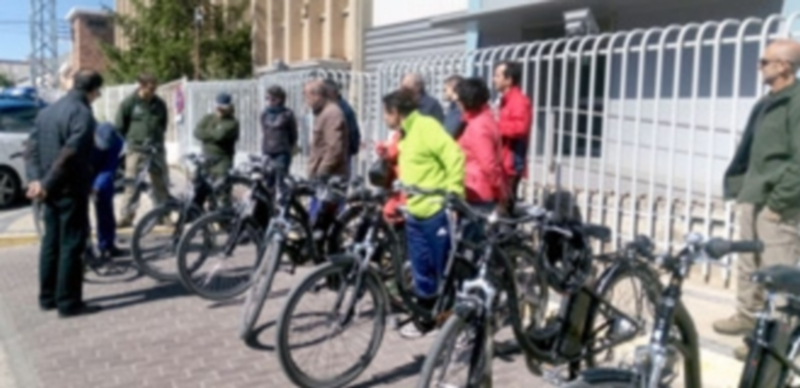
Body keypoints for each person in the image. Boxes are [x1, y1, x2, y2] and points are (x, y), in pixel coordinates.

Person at [714, 39, 800, 360]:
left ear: (784, 66)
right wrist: (742, 188)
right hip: (754, 195)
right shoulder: (767, 102)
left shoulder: (796, 102)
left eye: (764, 61)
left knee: (778, 271)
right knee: (748, 263)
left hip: (777, 203)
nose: (759, 66)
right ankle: (747, 317)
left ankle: (775, 342)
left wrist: (778, 203)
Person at [381, 88, 465, 338]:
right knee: (421, 268)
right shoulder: (404, 134)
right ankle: (426, 318)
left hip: (436, 210)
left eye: (386, 113)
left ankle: (454, 325)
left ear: (396, 112)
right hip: (414, 210)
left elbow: (454, 156)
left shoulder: (426, 126)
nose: (384, 118)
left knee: (444, 270)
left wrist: (453, 192)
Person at [25, 69, 104, 318]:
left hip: (50, 189)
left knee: (51, 242)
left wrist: (36, 180)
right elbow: (70, 153)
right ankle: (68, 302)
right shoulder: (82, 114)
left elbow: (31, 148)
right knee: (71, 243)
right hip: (69, 188)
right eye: (98, 92)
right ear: (93, 91)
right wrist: (45, 183)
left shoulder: (47, 111)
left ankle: (48, 297)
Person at [115, 73, 170, 228]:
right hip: (136, 150)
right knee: (132, 184)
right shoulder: (129, 103)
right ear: (141, 86)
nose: (153, 91)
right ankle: (126, 216)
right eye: (150, 88)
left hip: (156, 149)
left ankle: (163, 215)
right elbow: (120, 126)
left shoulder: (160, 104)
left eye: (155, 88)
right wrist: (133, 140)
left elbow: (163, 125)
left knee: (161, 183)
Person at [305, 79, 349, 254]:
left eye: (307, 96)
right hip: (322, 175)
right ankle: (318, 253)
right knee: (319, 220)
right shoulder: (323, 113)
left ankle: (330, 257)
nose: (306, 101)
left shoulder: (332, 114)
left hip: (331, 176)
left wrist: (322, 171)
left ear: (317, 95)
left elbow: (334, 149)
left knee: (328, 222)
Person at [455, 78, 506, 217]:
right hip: (476, 188)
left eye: (459, 100)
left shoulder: (479, 126)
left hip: (478, 192)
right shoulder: (481, 120)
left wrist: (501, 190)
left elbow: (489, 164)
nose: (457, 102)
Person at [493, 61, 532, 204]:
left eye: (497, 76)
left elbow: (520, 128)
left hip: (511, 161)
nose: (494, 79)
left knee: (506, 204)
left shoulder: (519, 101)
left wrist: (495, 125)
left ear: (509, 80)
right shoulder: (504, 100)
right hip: (502, 159)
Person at [193, 92, 240, 207]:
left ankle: (224, 216)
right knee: (201, 190)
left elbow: (220, 136)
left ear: (229, 107)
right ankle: (202, 214)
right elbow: (197, 132)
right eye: (218, 106)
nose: (220, 110)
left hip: (222, 161)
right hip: (206, 159)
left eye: (223, 107)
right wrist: (213, 133)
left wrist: (206, 133)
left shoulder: (232, 122)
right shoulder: (208, 118)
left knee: (222, 192)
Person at [91, 122, 127, 259]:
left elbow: (108, 168)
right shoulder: (84, 137)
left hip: (103, 171)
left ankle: (107, 245)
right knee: (79, 213)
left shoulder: (116, 143)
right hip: (84, 168)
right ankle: (84, 249)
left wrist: (97, 186)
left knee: (105, 207)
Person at [323, 79, 361, 175]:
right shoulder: (329, 107)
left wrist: (350, 150)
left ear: (332, 93)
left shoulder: (343, 109)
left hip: (341, 154)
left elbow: (352, 132)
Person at [260, 85, 298, 176]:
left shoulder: (287, 114)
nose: (269, 101)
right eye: (267, 98)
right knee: (267, 178)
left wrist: (289, 146)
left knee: (280, 177)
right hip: (267, 151)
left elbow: (293, 134)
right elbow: (264, 131)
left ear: (280, 99)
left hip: (282, 152)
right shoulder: (264, 114)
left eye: (273, 99)